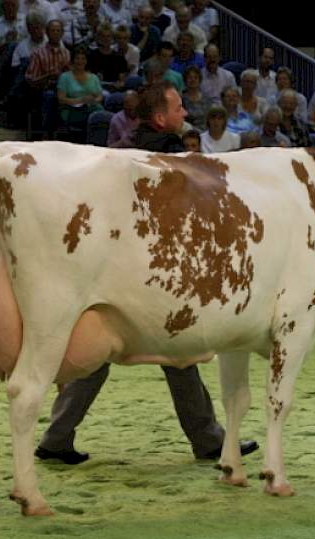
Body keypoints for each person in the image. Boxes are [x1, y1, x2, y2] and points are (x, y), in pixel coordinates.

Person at [35, 80, 259, 464]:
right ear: (160, 117)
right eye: (177, 108)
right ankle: (208, 440)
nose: (185, 113)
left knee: (98, 354)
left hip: (112, 266)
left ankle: (56, 438)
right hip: (154, 274)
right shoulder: (172, 155)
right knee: (181, 354)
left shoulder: (118, 152)